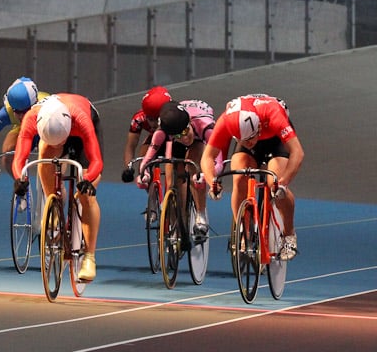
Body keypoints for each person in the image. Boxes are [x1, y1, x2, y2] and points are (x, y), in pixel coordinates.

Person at [11, 94, 103, 282]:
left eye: (60, 142)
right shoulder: (32, 118)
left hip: (82, 130)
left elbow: (96, 161)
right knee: (44, 156)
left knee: (87, 196)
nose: (60, 145)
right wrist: (20, 178)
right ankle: (54, 203)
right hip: (56, 128)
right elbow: (19, 159)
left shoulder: (82, 119)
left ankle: (90, 257)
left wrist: (88, 179)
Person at [200, 95, 303, 261]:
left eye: (249, 139)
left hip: (275, 140)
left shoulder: (274, 115)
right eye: (242, 140)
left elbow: (297, 153)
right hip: (248, 131)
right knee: (239, 177)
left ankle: (289, 234)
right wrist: (212, 181)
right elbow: (207, 157)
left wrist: (283, 181)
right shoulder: (227, 120)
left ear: (259, 126)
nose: (247, 143)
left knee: (273, 183)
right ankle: (244, 232)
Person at [137, 100, 224, 237]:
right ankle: (176, 220)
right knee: (172, 170)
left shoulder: (206, 128)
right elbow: (147, 159)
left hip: (198, 137)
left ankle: (200, 215)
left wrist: (207, 176)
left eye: (185, 131)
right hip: (175, 138)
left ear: (189, 123)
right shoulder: (163, 132)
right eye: (178, 135)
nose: (184, 138)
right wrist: (144, 174)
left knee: (193, 165)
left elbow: (219, 162)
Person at [0, 77, 49, 179]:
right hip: (23, 129)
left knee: (52, 153)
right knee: (7, 154)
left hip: (45, 127)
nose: (21, 116)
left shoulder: (47, 106)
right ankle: (20, 184)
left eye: (25, 111)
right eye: (17, 112)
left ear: (35, 103)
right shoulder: (7, 111)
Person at [121, 86, 172, 183]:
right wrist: (128, 168)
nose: (153, 124)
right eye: (150, 119)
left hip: (173, 136)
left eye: (157, 119)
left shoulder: (174, 116)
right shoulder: (139, 119)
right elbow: (130, 146)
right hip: (155, 138)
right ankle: (151, 190)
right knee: (143, 158)